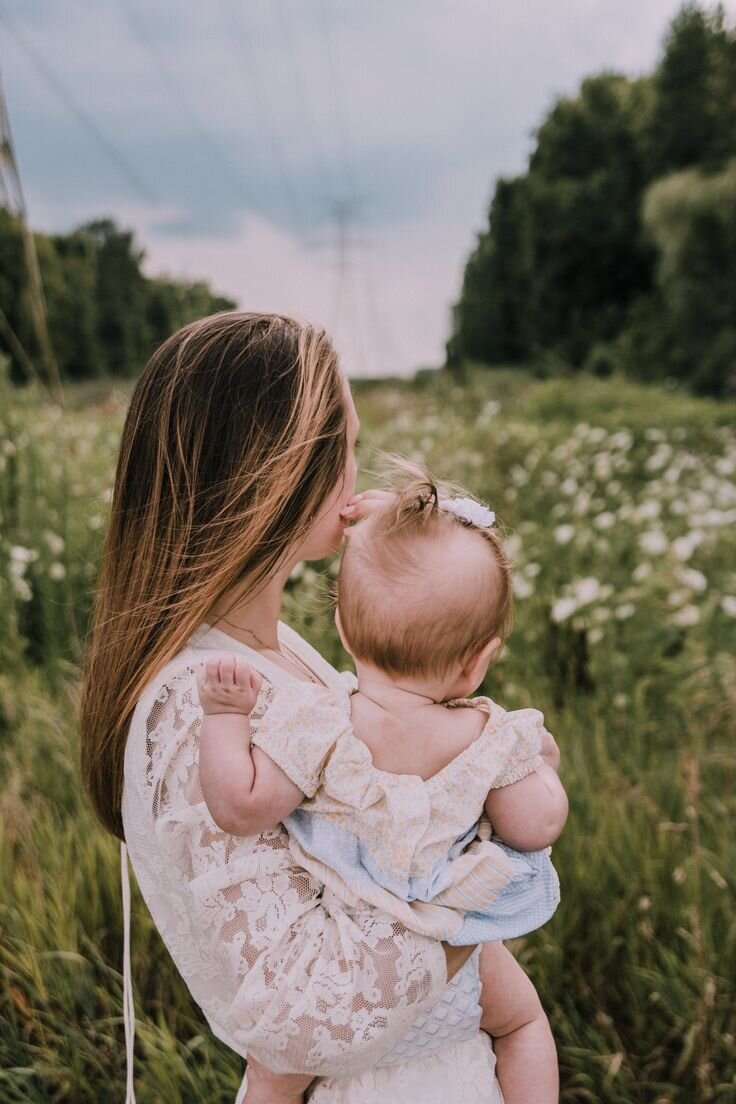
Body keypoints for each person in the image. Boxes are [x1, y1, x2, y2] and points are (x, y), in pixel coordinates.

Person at [79, 312, 562, 1104]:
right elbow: (304, 1018)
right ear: (280, 474)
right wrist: (486, 879)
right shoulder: (199, 706)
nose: (357, 482)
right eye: (346, 452)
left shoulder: (281, 650)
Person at [195, 468, 567, 1104]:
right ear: (480, 661)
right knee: (524, 1024)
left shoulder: (321, 724)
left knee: (273, 1078)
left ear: (342, 628)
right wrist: (541, 768)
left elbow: (240, 808)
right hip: (451, 967)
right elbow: (536, 827)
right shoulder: (489, 737)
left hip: (345, 978)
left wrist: (226, 717)